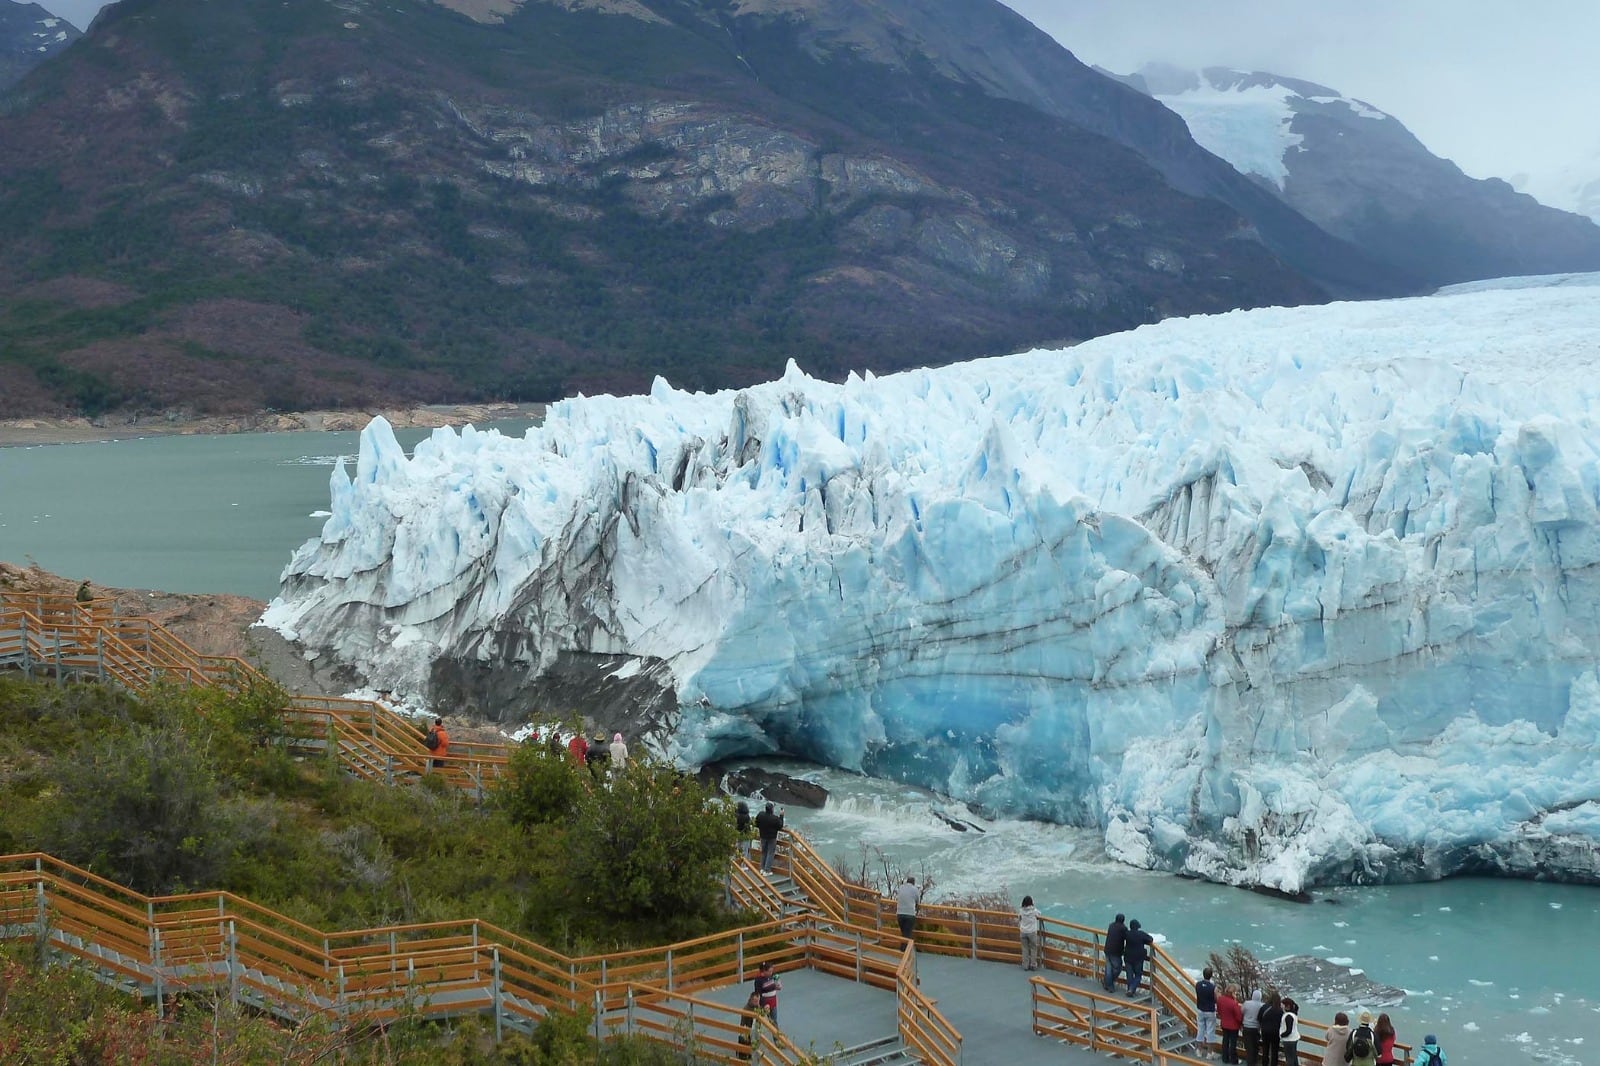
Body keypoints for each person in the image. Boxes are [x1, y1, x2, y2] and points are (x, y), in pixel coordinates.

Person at [1123, 918, 1152, 996]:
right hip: (1138, 958)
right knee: (1138, 975)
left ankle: (1130, 990)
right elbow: (1150, 939)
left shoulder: (1127, 934)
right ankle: (1131, 989)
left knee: (1129, 975)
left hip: (1128, 957)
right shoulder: (1141, 934)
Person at [754, 801, 784, 874]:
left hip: (763, 836)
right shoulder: (775, 818)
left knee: (764, 852)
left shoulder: (761, 815)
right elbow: (780, 825)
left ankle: (762, 869)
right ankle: (767, 870)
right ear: (772, 809)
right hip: (772, 838)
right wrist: (781, 816)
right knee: (770, 853)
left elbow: (756, 823)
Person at [1195, 966, 1219, 1058]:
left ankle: (1199, 1051)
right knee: (1210, 1032)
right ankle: (1209, 1053)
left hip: (1200, 1009)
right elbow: (1216, 999)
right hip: (1210, 1011)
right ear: (1211, 976)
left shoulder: (1198, 984)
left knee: (1200, 1030)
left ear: (1203, 974)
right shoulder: (1213, 987)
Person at [1217, 985, 1244, 1064]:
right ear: (1233, 992)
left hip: (1224, 1024)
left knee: (1225, 1041)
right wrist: (1241, 1024)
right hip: (1233, 1026)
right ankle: (1234, 1060)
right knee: (1233, 1043)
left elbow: (1219, 1011)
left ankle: (1225, 1058)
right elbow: (1238, 1016)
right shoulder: (1233, 1003)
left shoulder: (1220, 999)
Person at [1102, 913, 1127, 993]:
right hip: (1116, 952)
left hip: (1107, 949)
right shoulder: (1123, 928)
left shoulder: (1111, 925)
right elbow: (1127, 937)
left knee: (1108, 969)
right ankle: (1109, 984)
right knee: (1117, 968)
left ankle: (1107, 983)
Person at [738, 991, 767, 1060]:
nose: (757, 1003)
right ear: (751, 1000)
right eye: (756, 1001)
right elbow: (742, 1023)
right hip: (748, 1029)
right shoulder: (746, 1009)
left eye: (758, 1001)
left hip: (756, 1028)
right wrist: (743, 1032)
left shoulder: (757, 1006)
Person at [752, 960, 781, 1026]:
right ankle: (755, 1035)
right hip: (763, 1004)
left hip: (773, 1003)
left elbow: (776, 981)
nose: (771, 973)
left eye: (772, 971)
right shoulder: (758, 980)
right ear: (764, 971)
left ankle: (776, 1036)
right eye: (770, 971)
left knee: (774, 1021)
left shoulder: (771, 975)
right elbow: (758, 994)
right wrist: (764, 1004)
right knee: (758, 1021)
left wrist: (778, 985)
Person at [1258, 990, 1283, 1066]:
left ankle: (1264, 1064)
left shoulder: (1264, 1007)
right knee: (1274, 1051)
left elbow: (1259, 1018)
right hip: (1275, 1032)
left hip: (1265, 1031)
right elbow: (1282, 1022)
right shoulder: (1279, 1010)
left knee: (1265, 1049)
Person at [1018, 894, 1041, 971]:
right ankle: (1033, 965)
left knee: (1025, 949)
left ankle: (1025, 965)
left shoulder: (1021, 910)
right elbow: (1039, 914)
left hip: (1023, 932)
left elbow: (1019, 918)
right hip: (1032, 932)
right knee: (1033, 948)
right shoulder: (1034, 911)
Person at [1241, 988, 1263, 1066]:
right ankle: (1254, 1062)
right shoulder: (1262, 1005)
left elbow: (1241, 1012)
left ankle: (1250, 1063)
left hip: (1246, 1027)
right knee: (1255, 1046)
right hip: (1256, 1028)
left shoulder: (1246, 1003)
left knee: (1248, 1047)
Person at [895, 876, 921, 940]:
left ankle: (904, 948)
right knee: (907, 935)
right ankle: (904, 949)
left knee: (904, 933)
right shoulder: (915, 889)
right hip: (910, 915)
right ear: (913, 883)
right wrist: (916, 911)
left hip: (900, 914)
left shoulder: (901, 887)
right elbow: (918, 902)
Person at [1280, 996, 1301, 1066]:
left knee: (1289, 1059)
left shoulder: (1288, 1016)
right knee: (1294, 1057)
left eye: (1282, 1005)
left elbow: (1289, 1030)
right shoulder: (1293, 1014)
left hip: (1289, 1040)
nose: (1281, 1006)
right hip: (1294, 1038)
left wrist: (1281, 1035)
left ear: (1287, 1006)